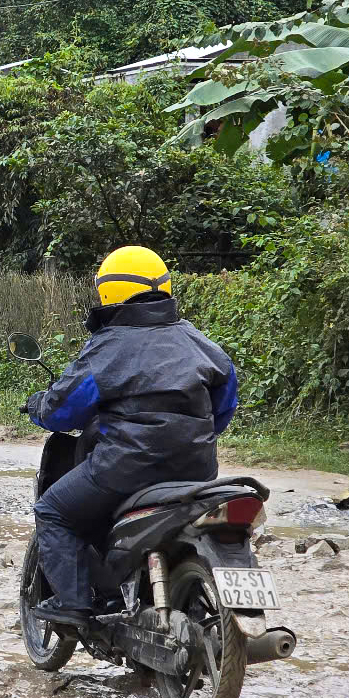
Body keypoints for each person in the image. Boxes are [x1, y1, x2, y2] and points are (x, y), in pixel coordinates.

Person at [25, 246, 238, 629]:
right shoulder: (200, 342)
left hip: (122, 470)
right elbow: (222, 408)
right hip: (197, 472)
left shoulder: (109, 346)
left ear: (109, 290)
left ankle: (74, 605)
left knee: (53, 511)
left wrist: (38, 405)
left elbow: (64, 411)